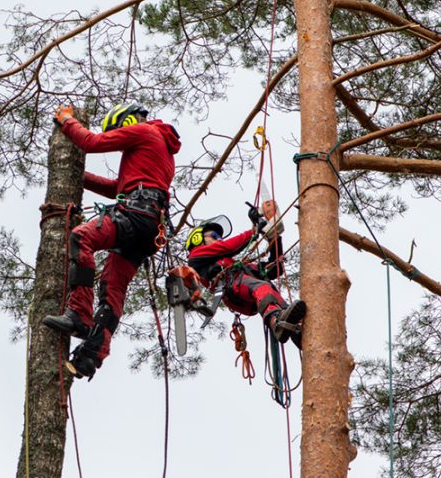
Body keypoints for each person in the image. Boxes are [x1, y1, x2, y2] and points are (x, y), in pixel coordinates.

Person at [42, 102, 181, 380]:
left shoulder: (143, 131)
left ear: (126, 122)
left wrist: (67, 120)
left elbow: (90, 142)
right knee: (112, 287)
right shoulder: (158, 147)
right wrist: (77, 178)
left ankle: (79, 314)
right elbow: (117, 188)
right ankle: (91, 355)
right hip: (149, 227)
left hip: (137, 214)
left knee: (82, 237)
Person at [184, 201, 306, 347]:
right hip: (231, 285)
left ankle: (295, 330)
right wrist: (254, 231)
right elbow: (228, 247)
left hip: (243, 288)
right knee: (261, 287)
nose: (219, 239)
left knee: (267, 287)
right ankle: (276, 321)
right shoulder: (196, 255)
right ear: (197, 239)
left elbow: (273, 269)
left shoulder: (233, 265)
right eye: (215, 235)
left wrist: (275, 238)